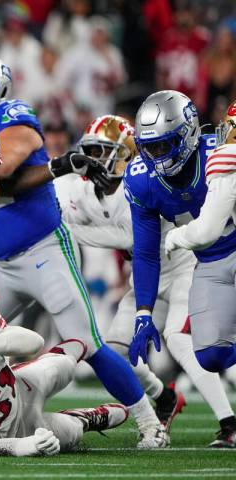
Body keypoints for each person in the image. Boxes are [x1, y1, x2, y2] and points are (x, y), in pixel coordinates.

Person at [0, 53, 169, 448]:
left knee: (91, 345)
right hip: (1, 259)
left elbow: (4, 179)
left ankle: (151, 422)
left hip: (46, 250)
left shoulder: (10, 115)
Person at [57, 115, 235, 447]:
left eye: (102, 151)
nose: (94, 160)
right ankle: (164, 396)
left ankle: (229, 423)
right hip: (145, 276)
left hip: (183, 265)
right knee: (113, 353)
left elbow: (135, 242)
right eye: (91, 151)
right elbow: (47, 203)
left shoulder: (134, 184)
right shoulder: (77, 188)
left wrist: (70, 228)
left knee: (179, 341)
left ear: (125, 154)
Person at [126, 91, 236, 448]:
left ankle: (228, 422)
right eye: (150, 147)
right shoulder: (141, 179)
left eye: (165, 145)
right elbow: (145, 251)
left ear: (188, 134)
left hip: (215, 247)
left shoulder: (218, 154)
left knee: (179, 334)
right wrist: (143, 312)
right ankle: (230, 423)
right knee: (210, 353)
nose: (157, 156)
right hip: (206, 259)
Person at [0, 289, 128, 455]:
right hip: (16, 432)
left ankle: (61, 356)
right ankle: (82, 419)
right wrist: (28, 445)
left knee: (63, 365)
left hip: (18, 386)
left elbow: (34, 342)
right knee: (69, 431)